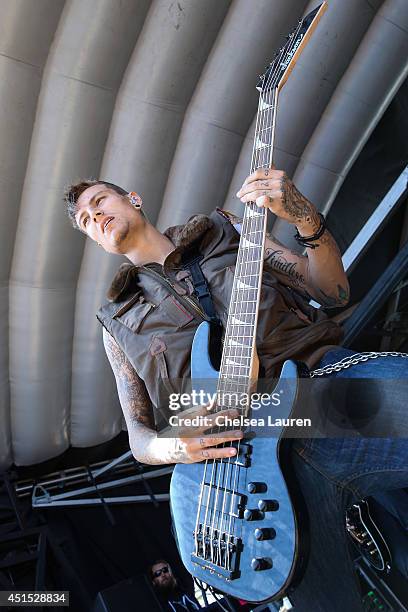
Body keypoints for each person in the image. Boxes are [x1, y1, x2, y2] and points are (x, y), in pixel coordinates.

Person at [65, 169, 408, 612]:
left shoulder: (227, 233)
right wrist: (175, 448)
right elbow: (140, 438)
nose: (95, 216)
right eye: (86, 221)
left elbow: (333, 290)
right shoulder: (116, 325)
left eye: (100, 202)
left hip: (320, 396)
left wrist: (304, 218)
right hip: (247, 476)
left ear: (133, 198)